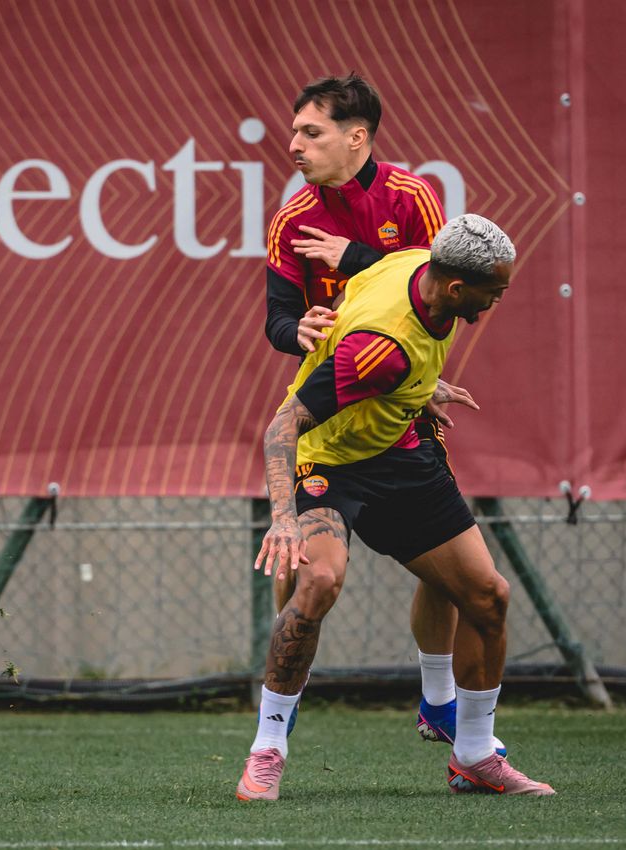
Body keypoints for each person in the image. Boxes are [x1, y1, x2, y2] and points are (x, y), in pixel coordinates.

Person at [236, 214, 554, 800]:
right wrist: (283, 517)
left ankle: (474, 756)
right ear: (456, 287)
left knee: (488, 596)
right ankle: (268, 747)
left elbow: (366, 304)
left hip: (399, 450)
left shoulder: (415, 263)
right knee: (319, 581)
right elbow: (283, 426)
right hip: (327, 461)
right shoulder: (380, 351)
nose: (498, 299)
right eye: (495, 290)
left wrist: (417, 390)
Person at [262, 73, 489, 754]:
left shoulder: (410, 197)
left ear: (356, 137)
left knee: (447, 573)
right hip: (326, 417)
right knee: (306, 573)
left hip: (399, 410)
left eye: (311, 132)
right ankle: (279, 704)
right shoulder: (290, 219)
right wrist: (297, 329)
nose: (294, 144)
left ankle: (438, 702)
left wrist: (354, 258)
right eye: (294, 131)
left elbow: (440, 290)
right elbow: (277, 320)